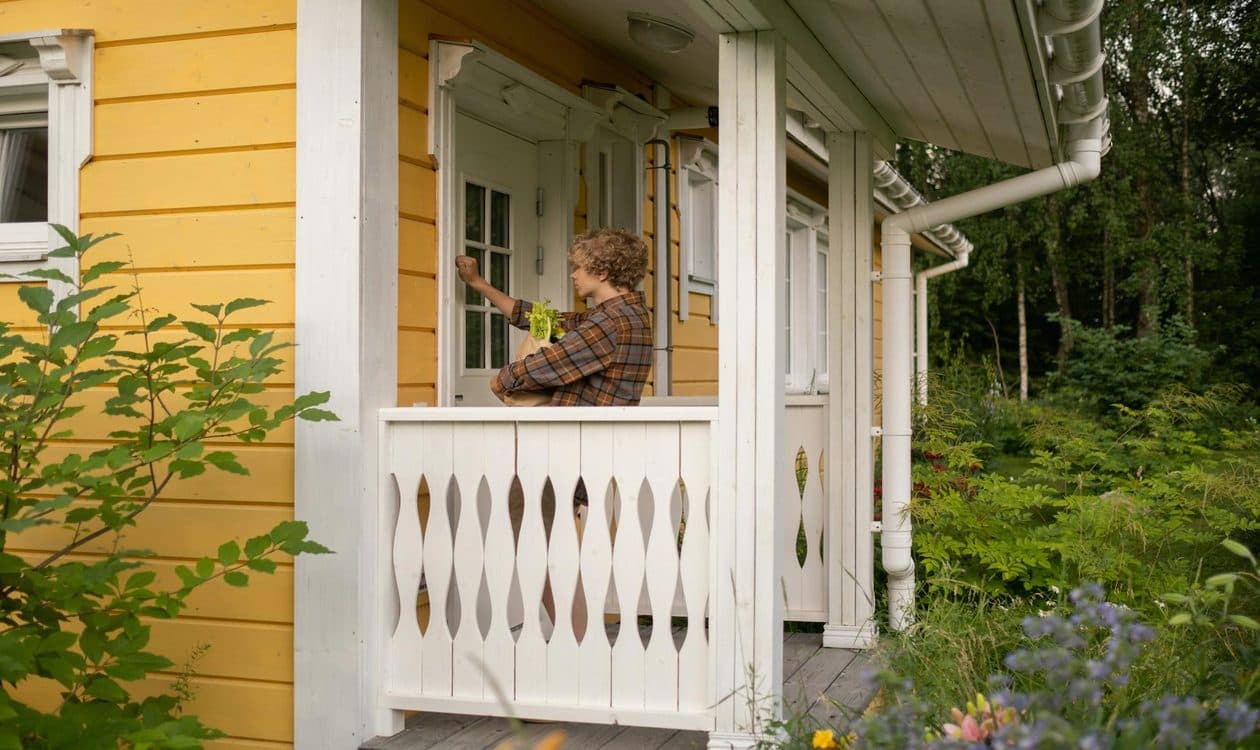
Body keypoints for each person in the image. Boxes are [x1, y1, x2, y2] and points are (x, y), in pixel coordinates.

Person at [454, 227, 652, 406]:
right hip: (595, 435)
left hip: (581, 437)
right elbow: (545, 322)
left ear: (601, 273)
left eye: (578, 268)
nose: (573, 275)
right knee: (542, 332)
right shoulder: (628, 313)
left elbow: (550, 362)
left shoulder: (609, 323)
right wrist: (478, 283)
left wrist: (502, 380)